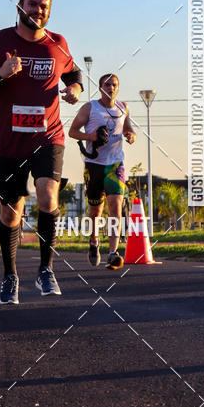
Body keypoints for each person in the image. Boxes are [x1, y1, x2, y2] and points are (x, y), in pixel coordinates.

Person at [0, 0, 82, 304]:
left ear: (50, 10)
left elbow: (73, 74)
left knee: (48, 197)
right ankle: (10, 275)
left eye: (44, 6)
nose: (38, 10)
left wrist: (75, 89)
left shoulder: (57, 44)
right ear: (20, 7)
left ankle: (46, 269)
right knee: (10, 214)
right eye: (32, 4)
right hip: (10, 143)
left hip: (48, 136)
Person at [69, 73, 136, 269]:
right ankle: (94, 241)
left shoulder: (123, 108)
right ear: (100, 87)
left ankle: (113, 252)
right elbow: (72, 132)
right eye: (107, 85)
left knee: (116, 205)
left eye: (114, 85)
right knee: (95, 211)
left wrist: (131, 135)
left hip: (115, 165)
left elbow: (129, 129)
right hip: (94, 165)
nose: (111, 88)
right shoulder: (90, 108)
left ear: (118, 87)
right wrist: (91, 136)